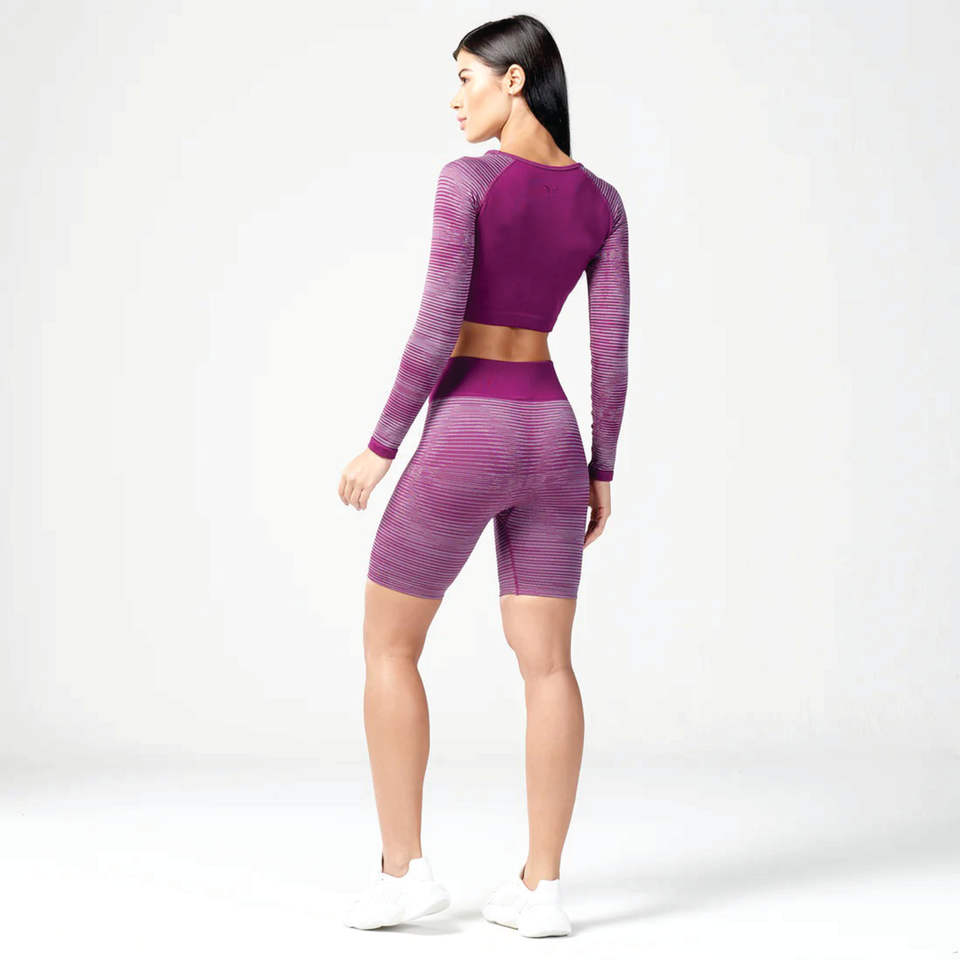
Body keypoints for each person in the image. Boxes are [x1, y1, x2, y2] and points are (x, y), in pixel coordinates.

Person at [338, 14, 629, 938]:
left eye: (466, 77)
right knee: (549, 665)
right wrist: (601, 468)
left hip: (469, 429)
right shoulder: (604, 202)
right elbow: (611, 351)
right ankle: (542, 891)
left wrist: (382, 444)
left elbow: (437, 324)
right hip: (552, 435)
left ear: (514, 79)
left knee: (390, 647)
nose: (455, 98)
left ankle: (403, 874)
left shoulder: (467, 180)